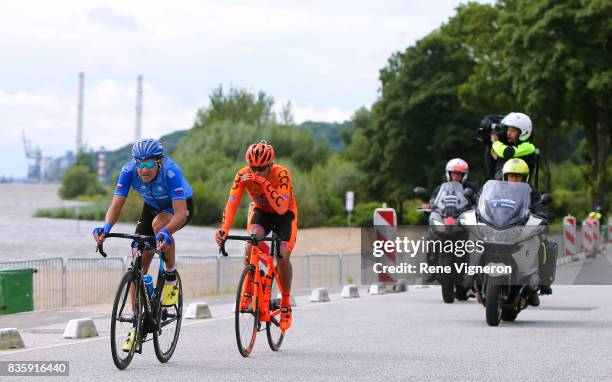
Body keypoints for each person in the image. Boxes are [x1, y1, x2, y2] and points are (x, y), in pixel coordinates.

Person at [93, 138, 193, 351]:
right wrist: (106, 228)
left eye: (148, 164)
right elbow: (117, 204)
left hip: (178, 209)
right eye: (139, 164)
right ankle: (137, 319)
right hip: (151, 207)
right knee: (138, 254)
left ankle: (170, 274)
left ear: (159, 162)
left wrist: (166, 232)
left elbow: (182, 213)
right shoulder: (128, 170)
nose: (143, 169)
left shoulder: (171, 171)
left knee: (160, 226)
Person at [215, 140, 298, 330]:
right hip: (261, 212)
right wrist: (224, 230)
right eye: (253, 168)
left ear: (270, 165)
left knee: (283, 255)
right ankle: (249, 289)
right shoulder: (243, 174)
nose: (256, 172)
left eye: (261, 169)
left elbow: (281, 208)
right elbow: (232, 203)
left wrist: (263, 182)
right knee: (251, 240)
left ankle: (285, 302)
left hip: (285, 215)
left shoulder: (282, 173)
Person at [502, 158, 553, 299]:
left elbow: (538, 206)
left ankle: (543, 279)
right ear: (505, 177)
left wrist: (542, 214)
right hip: (500, 226)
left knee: (542, 242)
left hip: (522, 228)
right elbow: (486, 202)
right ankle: (471, 275)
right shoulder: (499, 190)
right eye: (511, 176)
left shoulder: (532, 192)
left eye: (518, 177)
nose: (514, 180)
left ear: (525, 178)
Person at [423, 158, 479, 283]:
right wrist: (429, 205)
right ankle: (433, 269)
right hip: (446, 219)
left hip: (463, 220)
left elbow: (479, 201)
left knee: (476, 241)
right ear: (449, 174)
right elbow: (434, 201)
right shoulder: (441, 188)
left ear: (464, 175)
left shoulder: (471, 187)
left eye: (459, 174)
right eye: (454, 173)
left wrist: (476, 206)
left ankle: (474, 272)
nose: (456, 176)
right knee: (431, 238)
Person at [488, 112, 538, 182]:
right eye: (508, 129)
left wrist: (495, 142)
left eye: (513, 131)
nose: (508, 133)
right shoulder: (510, 145)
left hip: (522, 189)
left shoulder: (529, 147)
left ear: (524, 132)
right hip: (501, 188)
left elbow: (506, 152)